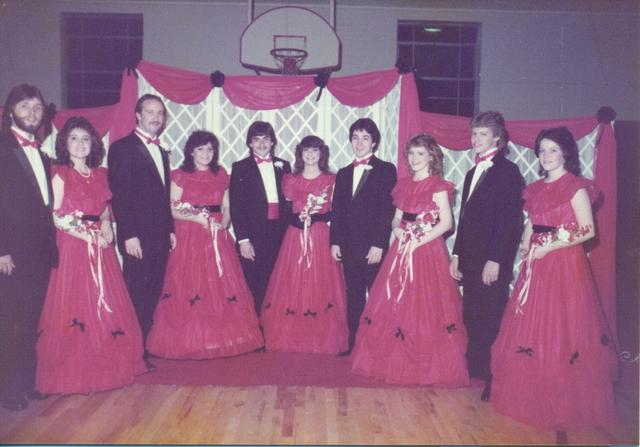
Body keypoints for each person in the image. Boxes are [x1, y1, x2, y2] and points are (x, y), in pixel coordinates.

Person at [490, 126, 618, 430]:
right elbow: (532, 224)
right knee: (531, 328)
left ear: (565, 154)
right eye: (542, 150)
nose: (546, 156)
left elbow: (587, 230)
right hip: (537, 264)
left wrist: (551, 246)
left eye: (553, 150)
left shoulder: (576, 187)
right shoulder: (534, 189)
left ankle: (562, 397)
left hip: (563, 265)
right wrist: (526, 247)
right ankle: (533, 392)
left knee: (560, 329)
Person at [36, 117, 146, 395]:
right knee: (76, 303)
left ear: (93, 144)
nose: (80, 144)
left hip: (100, 247)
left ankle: (104, 362)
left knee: (104, 303)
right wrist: (84, 235)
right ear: (65, 143)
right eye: (74, 138)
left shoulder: (100, 174)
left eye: (86, 139)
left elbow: (105, 209)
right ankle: (75, 370)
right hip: (74, 247)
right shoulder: (60, 173)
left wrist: (107, 225)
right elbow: (55, 215)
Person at [351, 134, 469, 386]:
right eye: (412, 154)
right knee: (394, 300)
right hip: (402, 247)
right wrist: (397, 230)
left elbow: (447, 223)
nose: (415, 159)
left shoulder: (438, 186)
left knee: (424, 306)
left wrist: (419, 240)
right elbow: (396, 217)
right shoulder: (403, 185)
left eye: (420, 154)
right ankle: (391, 359)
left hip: (426, 251)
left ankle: (423, 363)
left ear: (432, 157)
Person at [146, 131, 264, 358]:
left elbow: (227, 206)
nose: (206, 153)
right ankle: (191, 342)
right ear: (191, 151)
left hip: (216, 235)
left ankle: (219, 340)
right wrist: (197, 218)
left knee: (220, 287)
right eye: (200, 149)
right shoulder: (180, 175)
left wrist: (223, 225)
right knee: (191, 286)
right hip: (189, 235)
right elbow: (171, 207)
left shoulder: (221, 174)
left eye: (210, 149)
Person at [448, 111, 524, 401]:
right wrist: (456, 255)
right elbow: (464, 220)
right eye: (474, 134)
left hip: (492, 260)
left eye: (482, 134)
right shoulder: (471, 173)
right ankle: (478, 369)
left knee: (492, 317)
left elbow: (510, 222)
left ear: (498, 138)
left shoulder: (508, 171)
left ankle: (496, 378)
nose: (475, 140)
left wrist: (496, 260)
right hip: (470, 257)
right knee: (472, 314)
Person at [260, 135, 348, 354]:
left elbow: (337, 211)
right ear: (300, 154)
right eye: (306, 151)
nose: (310, 155)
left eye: (315, 151)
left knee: (318, 281)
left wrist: (315, 218)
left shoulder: (331, 179)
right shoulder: (290, 179)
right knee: (292, 282)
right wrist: (298, 220)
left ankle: (319, 338)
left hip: (319, 236)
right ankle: (290, 336)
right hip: (295, 237)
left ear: (322, 154)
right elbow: (286, 211)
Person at [0, 84, 58, 411]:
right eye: (26, 107)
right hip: (11, 255)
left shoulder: (42, 153)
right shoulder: (2, 147)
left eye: (38, 108)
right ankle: (7, 391)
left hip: (39, 253)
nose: (33, 113)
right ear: (11, 112)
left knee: (30, 321)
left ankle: (26, 383)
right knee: (8, 321)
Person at [108, 94, 175, 371]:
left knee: (151, 293)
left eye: (160, 113)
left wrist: (170, 229)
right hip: (137, 237)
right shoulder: (122, 148)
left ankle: (142, 350)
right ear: (137, 114)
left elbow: (163, 197)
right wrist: (128, 235)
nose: (156, 117)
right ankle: (130, 354)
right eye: (150, 112)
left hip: (159, 236)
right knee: (136, 293)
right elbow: (120, 196)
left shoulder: (161, 151)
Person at [330, 118, 397, 354]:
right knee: (354, 297)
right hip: (348, 246)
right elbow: (337, 210)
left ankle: (378, 346)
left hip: (373, 248)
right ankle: (354, 343)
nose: (359, 142)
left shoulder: (387, 169)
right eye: (355, 137)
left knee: (378, 297)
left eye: (365, 138)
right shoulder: (344, 173)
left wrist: (379, 244)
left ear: (374, 142)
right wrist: (335, 241)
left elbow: (387, 210)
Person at [229, 121, 291, 316]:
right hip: (254, 234)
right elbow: (237, 207)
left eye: (266, 139)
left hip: (280, 232)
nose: (262, 144)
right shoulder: (240, 167)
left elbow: (289, 202)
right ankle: (256, 329)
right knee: (255, 282)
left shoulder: (284, 165)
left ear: (273, 142)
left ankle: (274, 327)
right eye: (256, 139)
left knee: (278, 281)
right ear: (249, 143)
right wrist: (243, 240)